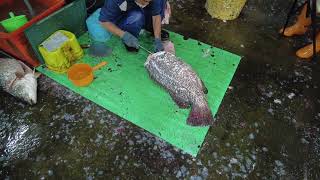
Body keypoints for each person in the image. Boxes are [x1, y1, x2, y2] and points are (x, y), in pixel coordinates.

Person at [99, 0, 170, 52]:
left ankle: (151, 29)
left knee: (160, 2)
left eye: (148, 1)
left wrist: (158, 38)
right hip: (124, 15)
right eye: (145, 1)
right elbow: (104, 21)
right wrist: (123, 35)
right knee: (137, 16)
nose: (147, 3)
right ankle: (130, 37)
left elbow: (156, 15)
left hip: (139, 7)